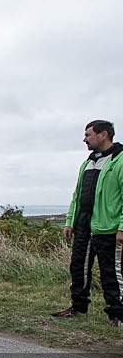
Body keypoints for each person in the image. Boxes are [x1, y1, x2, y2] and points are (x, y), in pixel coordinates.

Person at [54, 120, 123, 327]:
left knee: (111, 272)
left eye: (88, 135)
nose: (84, 139)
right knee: (78, 268)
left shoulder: (119, 160)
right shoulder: (88, 162)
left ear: (103, 135)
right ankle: (78, 307)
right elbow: (77, 195)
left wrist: (122, 227)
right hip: (84, 226)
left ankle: (117, 315)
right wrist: (69, 221)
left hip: (109, 228)